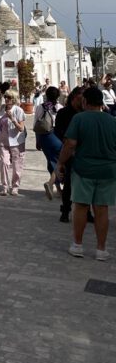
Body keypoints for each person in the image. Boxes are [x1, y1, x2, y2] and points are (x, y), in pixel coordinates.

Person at [57, 85, 116, 261]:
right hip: (107, 171)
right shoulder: (112, 121)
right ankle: (101, 249)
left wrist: (60, 162)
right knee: (102, 209)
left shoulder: (79, 119)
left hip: (84, 169)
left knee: (81, 206)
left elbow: (70, 144)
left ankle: (78, 245)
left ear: (85, 101)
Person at [55, 86, 84, 223]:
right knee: (69, 182)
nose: (83, 101)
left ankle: (87, 211)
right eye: (80, 98)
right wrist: (67, 142)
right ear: (74, 98)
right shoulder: (64, 113)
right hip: (69, 151)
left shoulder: (85, 113)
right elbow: (58, 131)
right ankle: (66, 210)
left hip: (84, 153)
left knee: (84, 183)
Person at [33, 86, 63, 200]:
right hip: (55, 136)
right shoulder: (59, 107)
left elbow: (36, 124)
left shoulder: (40, 107)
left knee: (51, 162)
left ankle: (57, 189)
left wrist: (37, 140)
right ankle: (51, 184)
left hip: (44, 137)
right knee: (60, 161)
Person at [0, 88, 26, 195]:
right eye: (5, 97)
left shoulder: (19, 110)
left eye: (9, 97)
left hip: (16, 142)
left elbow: (21, 128)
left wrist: (12, 118)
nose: (7, 99)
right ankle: (4, 187)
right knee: (4, 163)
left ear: (14, 99)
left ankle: (15, 186)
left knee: (17, 166)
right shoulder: (2, 109)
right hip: (3, 141)